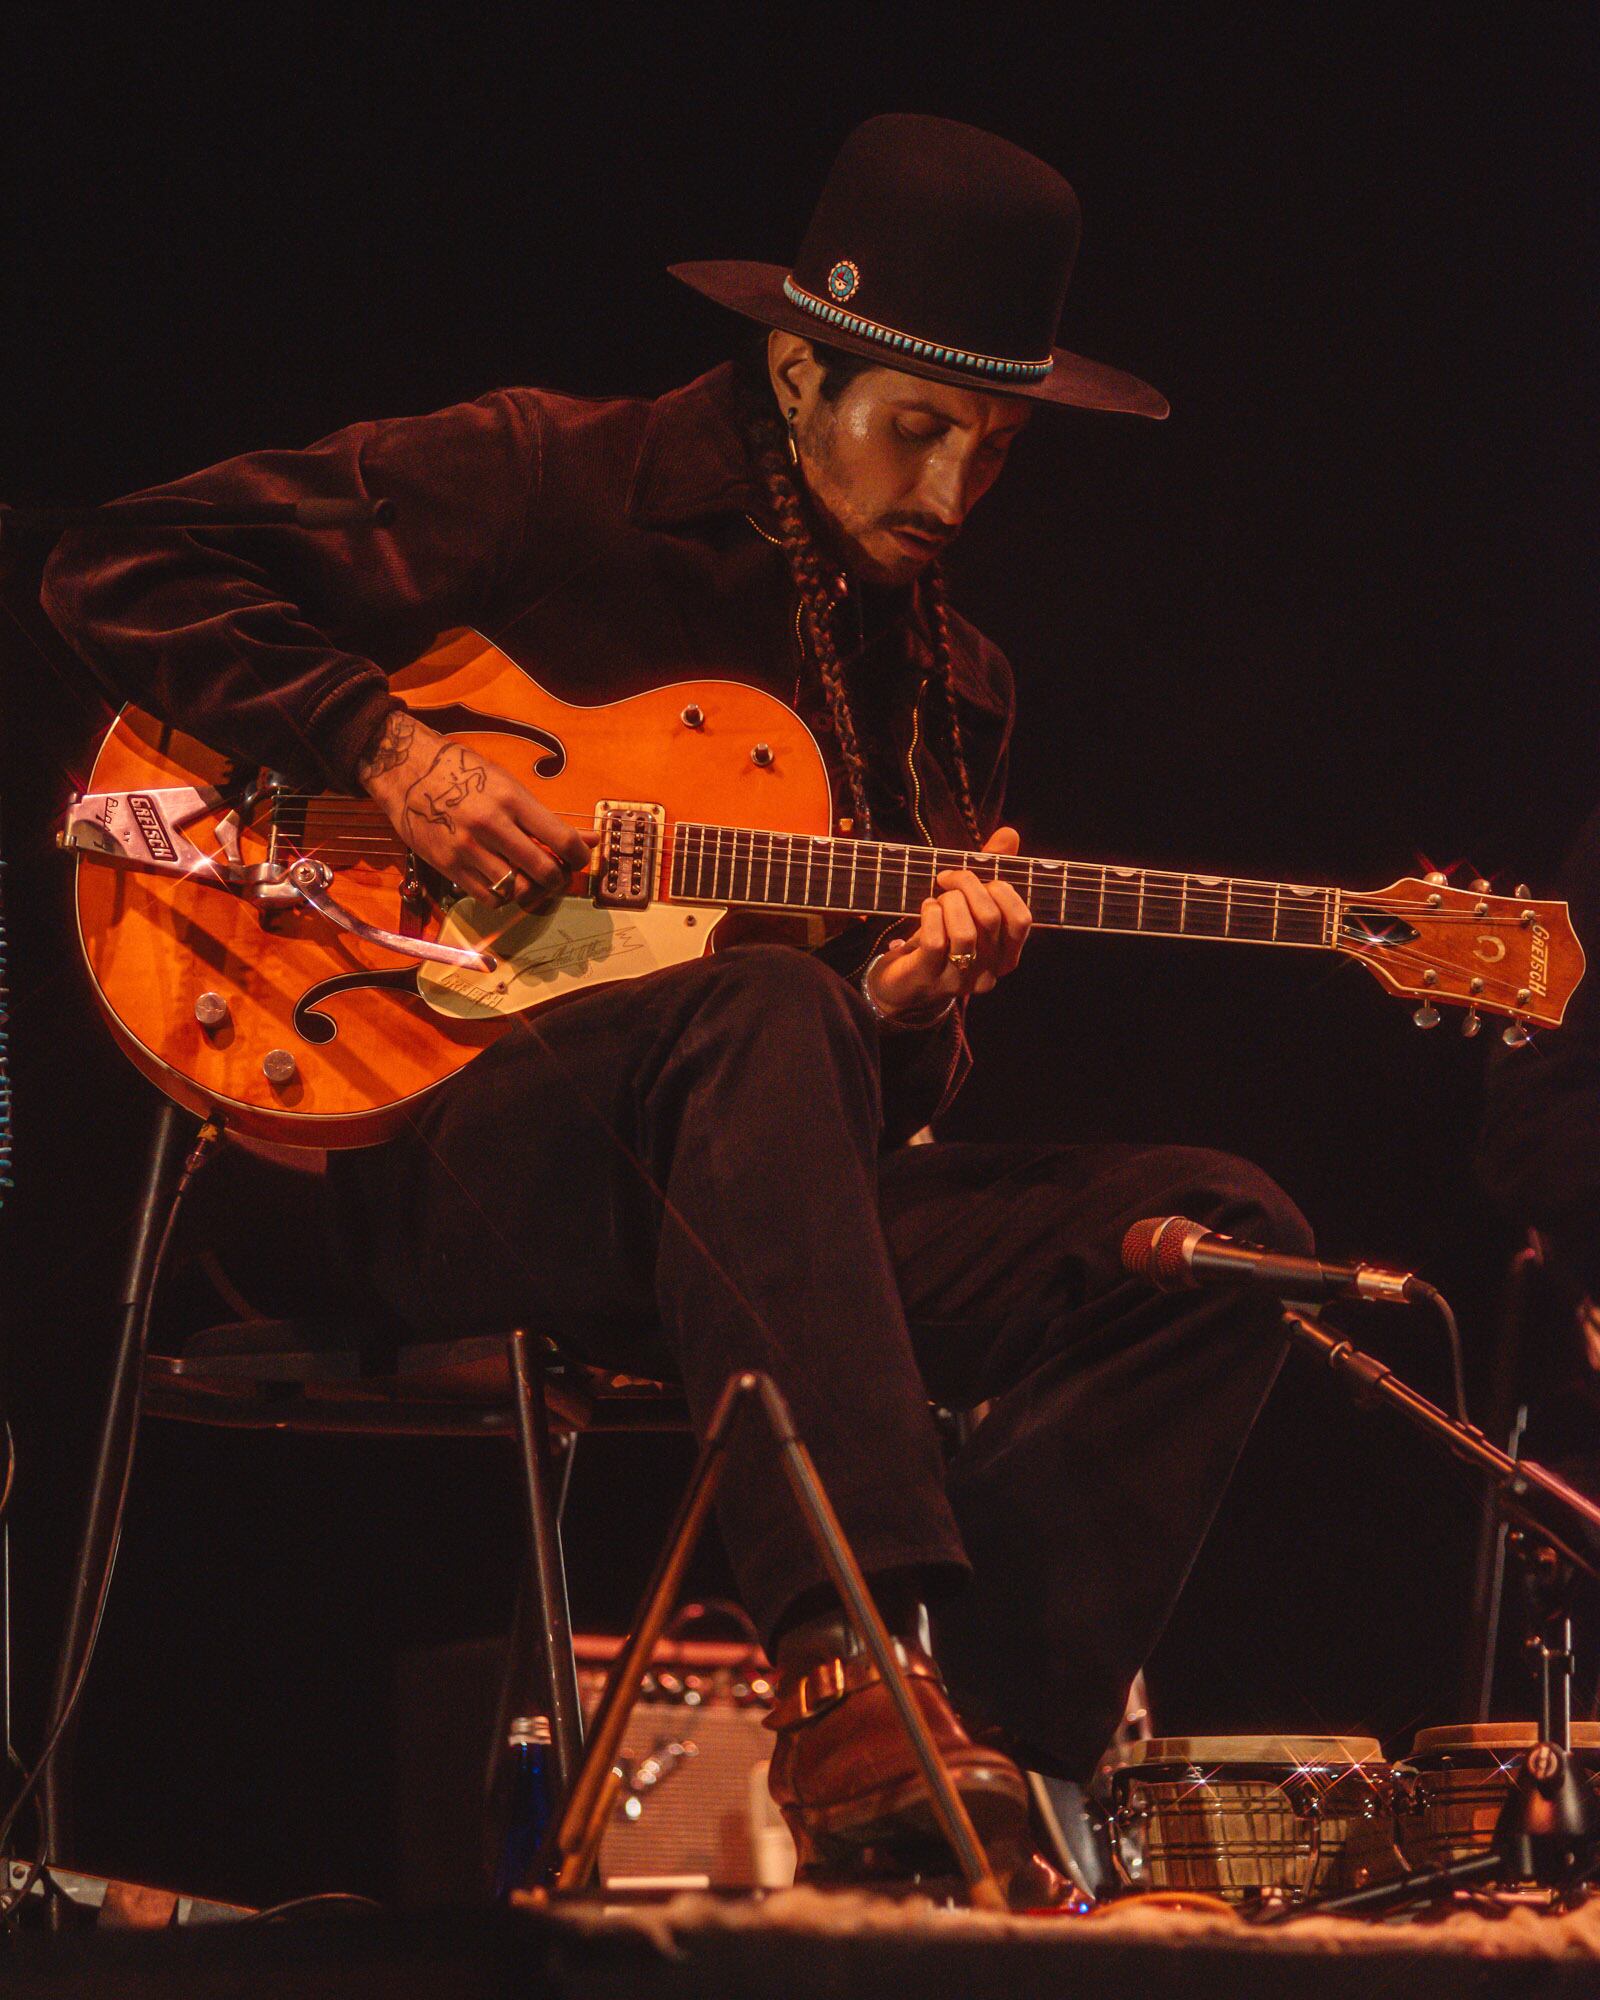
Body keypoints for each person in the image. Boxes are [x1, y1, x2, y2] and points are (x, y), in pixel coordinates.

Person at [41, 115, 1311, 1897]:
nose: (947, 492)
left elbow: (857, 1111)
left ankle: (976, 1773)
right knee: (766, 1022)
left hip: (730, 1206)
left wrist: (902, 1001)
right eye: (916, 426)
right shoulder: (560, 478)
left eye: (995, 451)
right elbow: (116, 567)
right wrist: (385, 748)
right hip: (395, 1139)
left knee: (1214, 1235)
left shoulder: (949, 686)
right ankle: (845, 1672)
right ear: (799, 374)